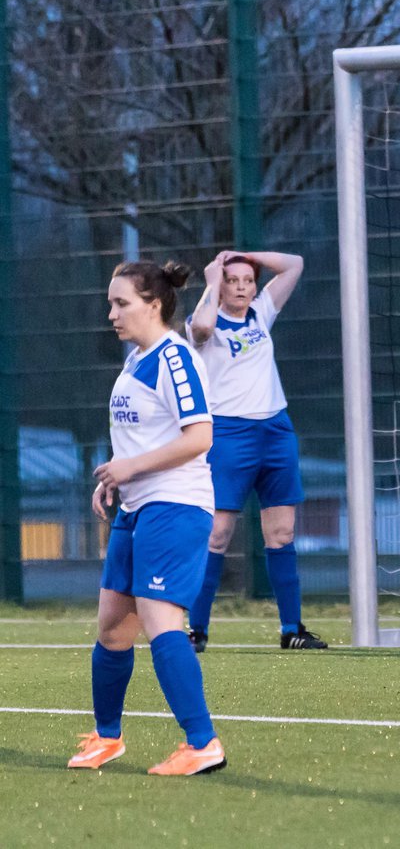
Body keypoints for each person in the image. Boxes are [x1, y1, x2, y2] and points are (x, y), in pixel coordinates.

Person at [68, 260, 226, 776]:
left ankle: (202, 743)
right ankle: (108, 739)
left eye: (121, 303)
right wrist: (115, 479)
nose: (111, 313)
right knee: (113, 627)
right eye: (110, 303)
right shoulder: (136, 360)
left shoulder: (175, 358)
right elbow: (141, 438)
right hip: (137, 507)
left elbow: (199, 437)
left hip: (176, 505)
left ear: (153, 304)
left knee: (160, 620)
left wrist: (130, 467)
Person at [184, 251, 327, 651]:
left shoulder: (262, 312)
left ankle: (291, 629)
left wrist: (244, 256)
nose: (243, 287)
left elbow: (296, 262)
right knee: (217, 534)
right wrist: (213, 278)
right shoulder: (206, 318)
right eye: (234, 280)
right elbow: (201, 328)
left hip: (275, 430)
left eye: (248, 280)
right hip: (229, 432)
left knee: (281, 533)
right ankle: (196, 630)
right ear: (220, 284)